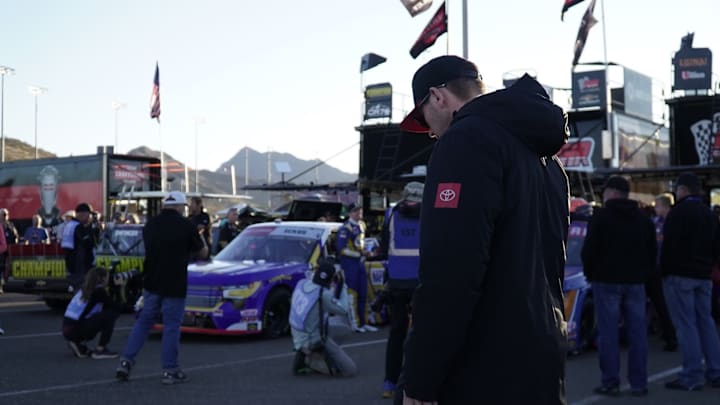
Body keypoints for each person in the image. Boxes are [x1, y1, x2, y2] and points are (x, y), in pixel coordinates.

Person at [397, 55, 569, 404]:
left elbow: (451, 271)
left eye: (425, 117)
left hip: (483, 368)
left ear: (438, 97)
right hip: (542, 359)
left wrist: (419, 378)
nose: (430, 131)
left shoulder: (465, 142)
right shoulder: (548, 161)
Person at [115, 191, 207, 385]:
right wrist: (200, 236)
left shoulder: (150, 225)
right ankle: (170, 370)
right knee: (171, 326)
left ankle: (125, 362)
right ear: (181, 207)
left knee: (143, 322)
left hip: (152, 281)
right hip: (174, 283)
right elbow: (202, 253)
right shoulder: (186, 226)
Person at [581, 176, 657, 396]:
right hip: (635, 282)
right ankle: (639, 383)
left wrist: (591, 272)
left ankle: (610, 382)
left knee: (608, 333)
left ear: (612, 193)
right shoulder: (643, 219)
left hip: (605, 281)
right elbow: (652, 253)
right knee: (637, 334)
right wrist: (644, 275)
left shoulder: (601, 217)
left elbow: (589, 250)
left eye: (605, 192)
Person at [661, 172, 720, 391]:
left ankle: (692, 374)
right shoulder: (709, 214)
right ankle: (715, 371)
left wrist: (664, 272)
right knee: (706, 322)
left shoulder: (677, 214)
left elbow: (668, 247)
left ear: (683, 189)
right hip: (704, 276)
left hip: (679, 275)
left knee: (686, 325)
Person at [376, 181, 423, 399]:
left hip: (396, 282)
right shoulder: (429, 212)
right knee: (423, 333)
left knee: (396, 332)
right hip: (421, 282)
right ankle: (417, 384)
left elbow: (384, 248)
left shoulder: (390, 214)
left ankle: (390, 383)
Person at [290, 258, 356, 377]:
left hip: (298, 334)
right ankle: (311, 359)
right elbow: (344, 309)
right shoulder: (323, 294)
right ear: (331, 279)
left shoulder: (302, 283)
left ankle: (311, 353)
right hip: (312, 338)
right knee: (350, 370)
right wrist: (343, 284)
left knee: (343, 331)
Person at [62, 267, 121, 359]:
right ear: (102, 279)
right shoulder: (99, 291)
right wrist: (117, 288)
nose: (108, 280)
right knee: (110, 314)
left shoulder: (84, 289)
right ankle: (100, 350)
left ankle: (78, 343)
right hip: (75, 328)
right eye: (107, 277)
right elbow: (116, 308)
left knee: (103, 314)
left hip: (67, 328)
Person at [336, 203, 376, 333]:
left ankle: (364, 322)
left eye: (360, 210)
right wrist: (359, 254)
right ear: (349, 213)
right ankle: (356, 324)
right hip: (349, 265)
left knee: (364, 294)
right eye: (355, 211)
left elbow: (361, 243)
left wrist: (367, 250)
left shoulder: (362, 225)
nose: (358, 213)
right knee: (353, 294)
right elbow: (341, 250)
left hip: (360, 263)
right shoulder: (345, 228)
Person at [648, 193, 677, 351]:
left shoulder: (673, 223)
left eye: (657, 206)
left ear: (665, 206)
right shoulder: (654, 222)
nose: (655, 209)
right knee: (659, 304)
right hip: (655, 268)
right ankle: (665, 332)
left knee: (667, 304)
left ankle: (672, 335)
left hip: (668, 269)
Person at [62, 204, 98, 292]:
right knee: (83, 294)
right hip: (80, 267)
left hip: (72, 265)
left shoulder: (70, 225)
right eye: (90, 215)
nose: (90, 218)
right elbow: (88, 243)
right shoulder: (78, 227)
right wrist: (93, 229)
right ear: (83, 214)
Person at [0, 208, 18, 294]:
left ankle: (6, 284)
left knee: (8, 268)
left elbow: (16, 236)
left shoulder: (11, 225)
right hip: (1, 250)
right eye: (3, 214)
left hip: (10, 249)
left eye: (6, 214)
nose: (4, 216)